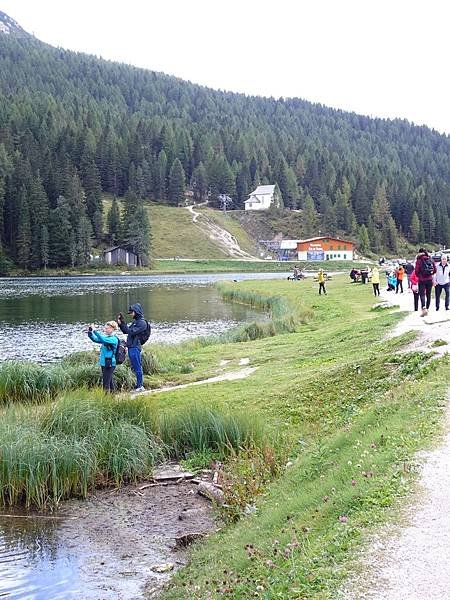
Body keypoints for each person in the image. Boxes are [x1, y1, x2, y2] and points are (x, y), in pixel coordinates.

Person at [117, 303, 147, 392]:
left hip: (134, 347)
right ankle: (139, 386)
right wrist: (121, 324)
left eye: (131, 312)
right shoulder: (136, 322)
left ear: (136, 312)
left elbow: (130, 331)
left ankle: (140, 386)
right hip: (131, 347)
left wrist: (123, 323)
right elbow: (126, 331)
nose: (130, 314)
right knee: (136, 366)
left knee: (137, 367)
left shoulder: (142, 323)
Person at [88, 320, 119, 393]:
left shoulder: (113, 339)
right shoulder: (107, 338)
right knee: (110, 381)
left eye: (107, 328)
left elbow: (102, 339)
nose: (105, 330)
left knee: (106, 383)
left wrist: (95, 330)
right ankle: (113, 397)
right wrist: (90, 332)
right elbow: (95, 339)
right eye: (105, 328)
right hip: (104, 362)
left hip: (110, 363)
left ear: (112, 328)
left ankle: (105, 401)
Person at [415, 248, 436, 317]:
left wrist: (420, 275)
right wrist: (430, 274)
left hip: (422, 280)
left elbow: (416, 271)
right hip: (429, 279)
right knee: (428, 294)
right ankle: (427, 309)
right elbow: (435, 270)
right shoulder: (430, 259)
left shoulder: (419, 260)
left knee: (422, 294)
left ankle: (424, 308)